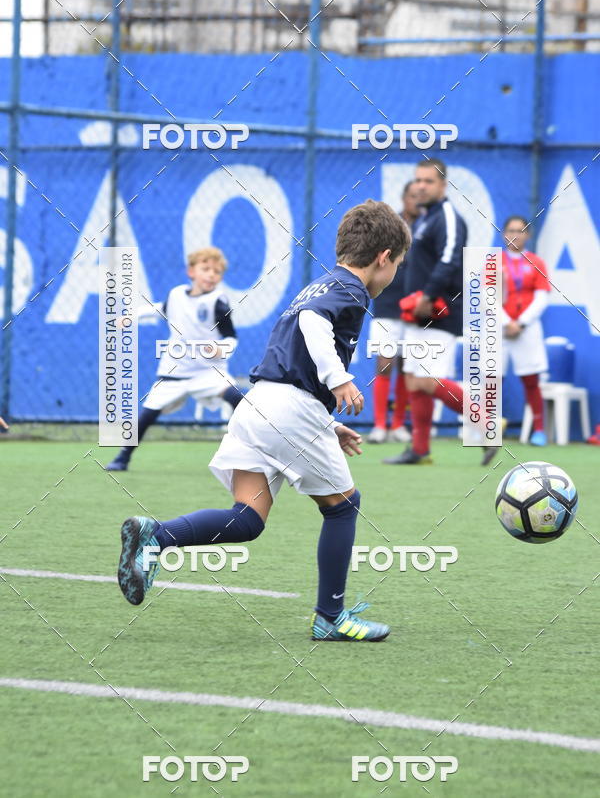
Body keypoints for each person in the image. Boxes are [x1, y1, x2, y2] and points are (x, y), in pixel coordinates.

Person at [116, 200, 411, 641]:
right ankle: (330, 618)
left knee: (246, 519)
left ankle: (155, 535)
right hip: (290, 410)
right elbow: (313, 324)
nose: (394, 273)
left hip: (261, 404)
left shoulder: (317, 285)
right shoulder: (352, 288)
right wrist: (339, 380)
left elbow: (294, 353)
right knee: (343, 507)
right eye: (398, 264)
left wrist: (326, 422)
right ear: (384, 257)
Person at [383, 158, 497, 466]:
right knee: (412, 380)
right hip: (417, 314)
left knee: (425, 381)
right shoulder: (424, 219)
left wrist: (428, 295)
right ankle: (419, 450)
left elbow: (449, 260)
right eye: (418, 180)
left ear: (443, 185)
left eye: (428, 181)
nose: (421, 186)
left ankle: (485, 421)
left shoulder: (447, 217)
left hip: (439, 312)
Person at [106, 247, 244, 472]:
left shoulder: (219, 302)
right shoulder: (177, 295)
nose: (211, 275)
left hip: (208, 372)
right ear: (191, 271)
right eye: (206, 269)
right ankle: (123, 457)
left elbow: (231, 337)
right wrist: (131, 316)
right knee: (149, 413)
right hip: (175, 371)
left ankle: (253, 450)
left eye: (217, 272)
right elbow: (160, 308)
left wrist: (222, 349)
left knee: (239, 400)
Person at [367, 181, 421, 444]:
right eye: (412, 196)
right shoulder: (390, 228)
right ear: (403, 198)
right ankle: (380, 425)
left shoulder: (429, 227)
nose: (417, 200)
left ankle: (398, 424)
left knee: (406, 366)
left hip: (416, 309)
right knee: (385, 364)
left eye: (420, 196)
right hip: (387, 306)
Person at [502, 215, 551, 447]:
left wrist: (520, 323)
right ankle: (485, 429)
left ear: (528, 235)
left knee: (531, 380)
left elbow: (542, 297)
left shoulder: (537, 262)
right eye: (511, 230)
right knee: (491, 379)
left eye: (520, 231)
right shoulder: (493, 262)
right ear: (504, 234)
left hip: (527, 329)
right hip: (498, 329)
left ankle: (539, 430)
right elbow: (486, 297)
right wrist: (505, 322)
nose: (515, 235)